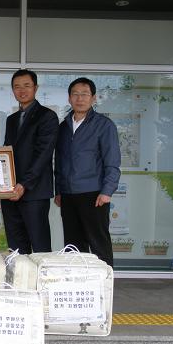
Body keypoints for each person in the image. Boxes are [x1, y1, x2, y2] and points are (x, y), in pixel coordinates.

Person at [0, 69, 58, 254]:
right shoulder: (12, 120)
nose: (22, 90)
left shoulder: (47, 116)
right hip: (10, 193)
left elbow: (43, 155)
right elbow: (12, 152)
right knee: (16, 248)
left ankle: (41, 275)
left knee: (40, 247)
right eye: (17, 87)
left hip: (33, 192)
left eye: (27, 86)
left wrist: (24, 185)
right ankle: (19, 274)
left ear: (35, 88)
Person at [54, 77, 121, 267]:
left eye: (84, 94)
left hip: (94, 194)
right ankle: (79, 281)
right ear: (69, 98)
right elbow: (59, 162)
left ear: (93, 98)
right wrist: (59, 190)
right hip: (68, 195)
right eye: (75, 94)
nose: (80, 98)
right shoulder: (63, 127)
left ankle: (105, 281)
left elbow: (112, 161)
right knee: (73, 245)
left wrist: (107, 191)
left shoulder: (104, 125)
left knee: (98, 243)